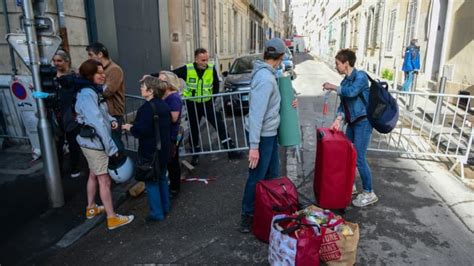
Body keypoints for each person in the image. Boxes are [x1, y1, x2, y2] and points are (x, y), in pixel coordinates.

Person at [240, 38, 298, 233]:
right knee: (257, 176)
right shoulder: (265, 79)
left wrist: (291, 101)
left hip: (269, 135)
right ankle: (247, 215)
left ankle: (269, 209)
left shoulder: (270, 74)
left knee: (273, 175)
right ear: (281, 57)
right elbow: (257, 114)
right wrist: (254, 146)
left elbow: (274, 102)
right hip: (263, 136)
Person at [75, 59, 134, 229]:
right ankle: (112, 218)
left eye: (103, 72)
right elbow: (97, 123)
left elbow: (101, 115)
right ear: (89, 75)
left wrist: (112, 120)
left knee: (94, 174)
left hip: (91, 142)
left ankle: (91, 208)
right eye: (99, 73)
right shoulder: (88, 93)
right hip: (94, 143)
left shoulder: (92, 91)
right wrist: (112, 148)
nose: (103, 76)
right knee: (105, 181)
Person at [322, 49, 378, 208]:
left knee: (359, 158)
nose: (336, 66)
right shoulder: (344, 82)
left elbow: (352, 93)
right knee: (348, 156)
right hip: (352, 122)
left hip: (363, 122)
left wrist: (332, 87)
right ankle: (349, 186)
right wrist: (338, 119)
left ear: (346, 64)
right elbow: (344, 104)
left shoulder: (360, 77)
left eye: (338, 63)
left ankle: (369, 192)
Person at [172, 48, 242, 166]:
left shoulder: (211, 68)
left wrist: (212, 99)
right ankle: (195, 154)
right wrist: (152, 76)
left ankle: (231, 150)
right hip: (192, 104)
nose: (205, 62)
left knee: (220, 126)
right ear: (196, 59)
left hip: (207, 103)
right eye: (203, 60)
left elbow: (216, 84)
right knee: (193, 130)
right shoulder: (187, 69)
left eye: (207, 59)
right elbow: (170, 74)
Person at [122, 76, 171, 221]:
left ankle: (157, 213)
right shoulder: (163, 105)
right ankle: (165, 207)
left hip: (151, 150)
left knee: (151, 182)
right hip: (164, 148)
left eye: (143, 87)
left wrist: (131, 127)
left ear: (150, 91)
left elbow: (141, 131)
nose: (140, 89)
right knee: (161, 177)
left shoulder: (145, 109)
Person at [86, 42, 125, 152]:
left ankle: (121, 166)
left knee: (115, 141)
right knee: (105, 141)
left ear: (100, 54)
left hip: (114, 113)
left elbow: (107, 91)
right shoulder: (99, 69)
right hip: (103, 111)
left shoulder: (114, 69)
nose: (89, 58)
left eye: (90, 54)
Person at [52, 49, 82, 178]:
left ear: (67, 61)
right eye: (54, 60)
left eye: (59, 60)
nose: (56, 63)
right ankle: (58, 169)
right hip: (55, 114)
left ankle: (74, 168)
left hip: (71, 114)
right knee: (57, 144)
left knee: (73, 143)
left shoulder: (74, 76)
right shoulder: (50, 75)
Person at [156, 71, 184, 197]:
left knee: (172, 161)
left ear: (169, 83)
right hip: (165, 133)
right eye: (159, 80)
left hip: (172, 134)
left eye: (163, 81)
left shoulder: (174, 97)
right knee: (169, 161)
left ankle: (175, 188)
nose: (159, 83)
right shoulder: (163, 95)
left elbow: (174, 118)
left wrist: (157, 114)